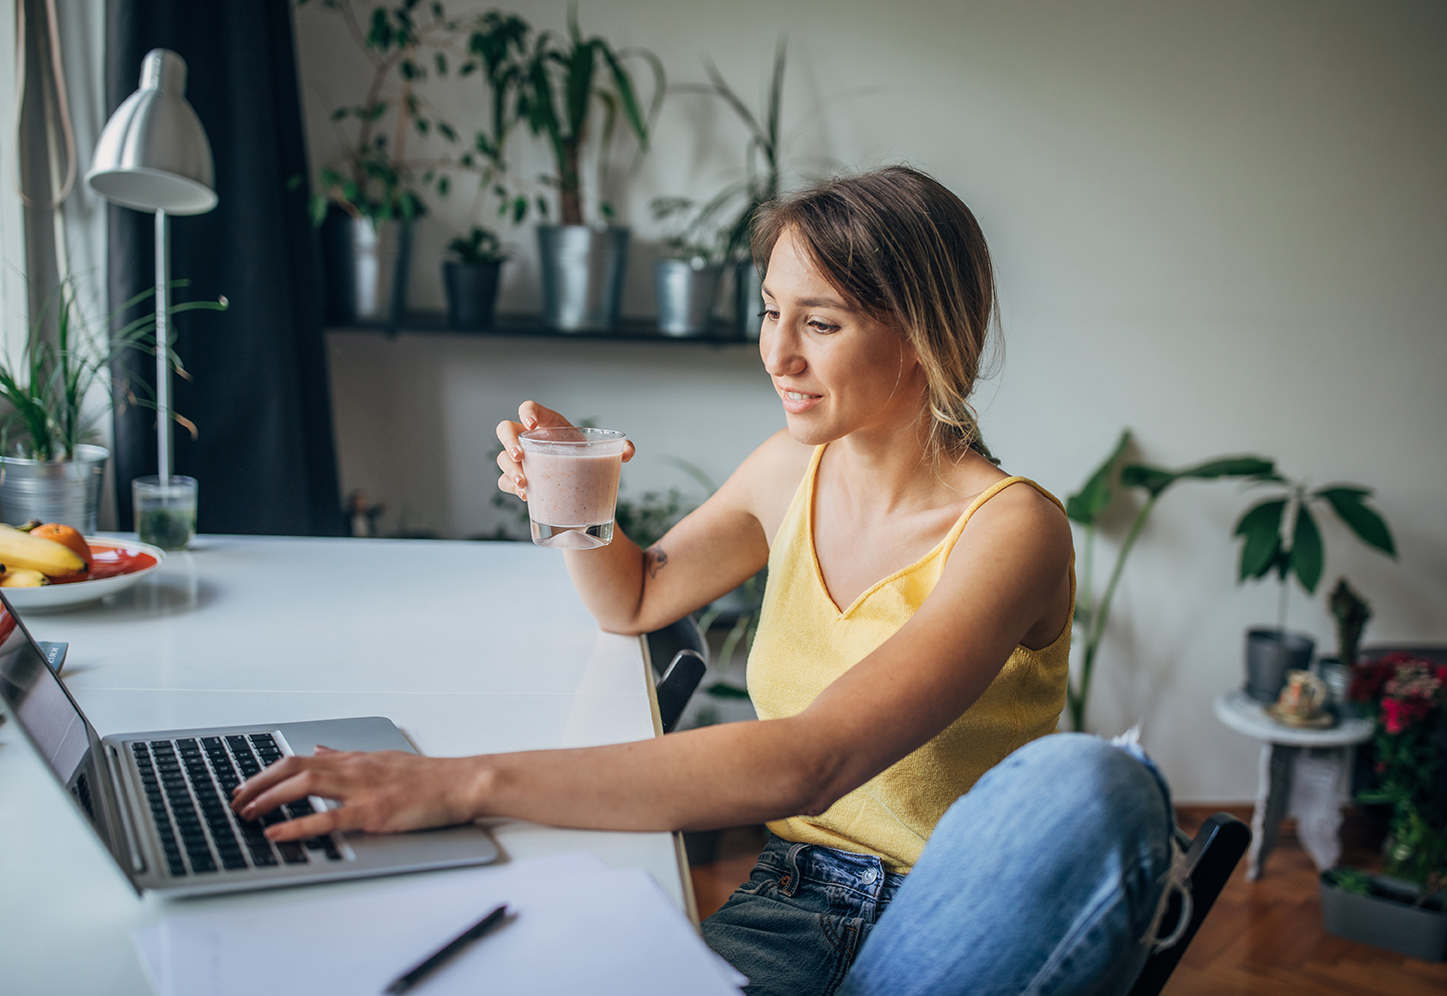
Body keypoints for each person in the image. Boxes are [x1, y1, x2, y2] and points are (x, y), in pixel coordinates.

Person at [233, 166, 1177, 996]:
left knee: (1098, 783)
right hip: (787, 899)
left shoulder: (1012, 529)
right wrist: (573, 500)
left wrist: (463, 784)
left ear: (926, 335)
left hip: (950, 915)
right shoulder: (787, 470)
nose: (778, 353)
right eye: (771, 309)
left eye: (821, 321)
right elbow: (635, 597)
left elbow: (818, 756)